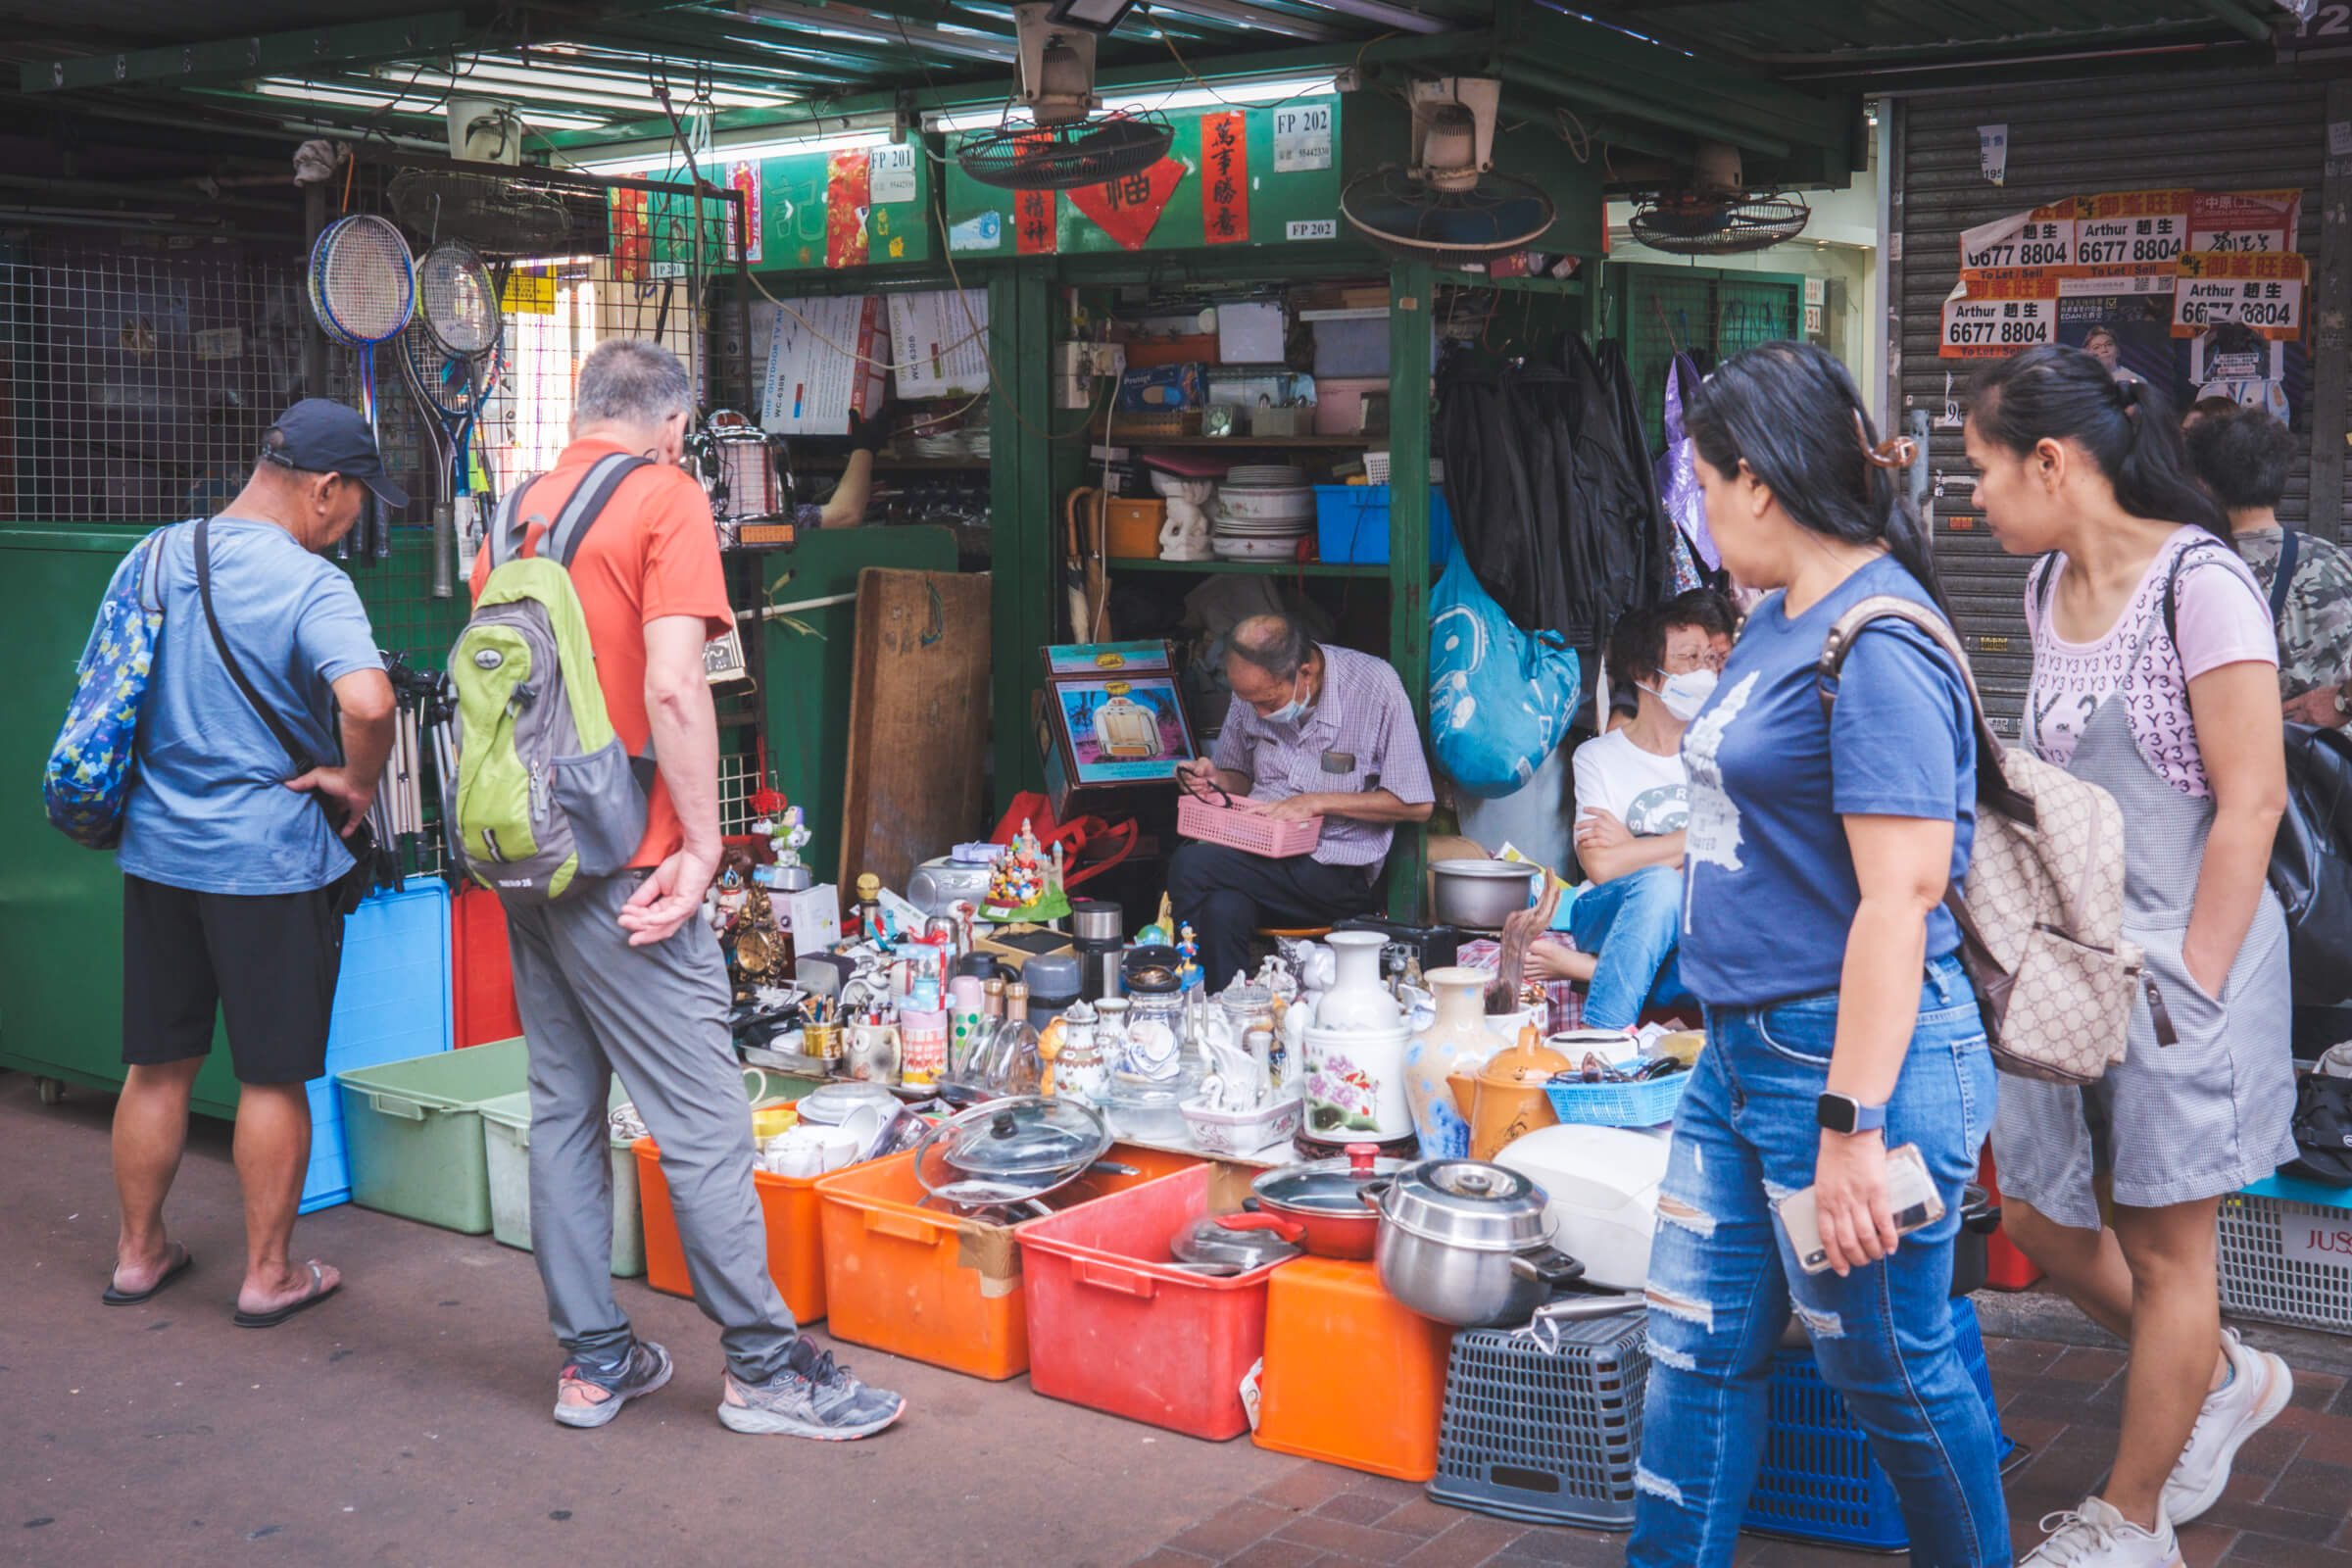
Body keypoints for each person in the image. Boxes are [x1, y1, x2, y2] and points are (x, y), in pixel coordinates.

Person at [470, 340, 903, 1439]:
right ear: (673, 423)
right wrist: (704, 846)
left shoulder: (515, 504)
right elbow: (671, 683)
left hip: (530, 856)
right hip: (631, 867)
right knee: (708, 1124)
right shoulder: (664, 498)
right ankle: (763, 1365)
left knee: (564, 1111)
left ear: (582, 410)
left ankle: (593, 1362)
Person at [1627, 343, 2007, 1568]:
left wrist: (1851, 1125)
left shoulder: (1879, 640)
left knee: (1892, 1375)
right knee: (1692, 1347)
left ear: (1760, 483)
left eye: (1701, 483)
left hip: (1842, 1067)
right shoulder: (1778, 618)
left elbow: (1899, 898)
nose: (1696, 511)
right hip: (1741, 1056)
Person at [1970, 346, 2294, 1567]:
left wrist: (2196, 985)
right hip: (2075, 967)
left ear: (2053, 462)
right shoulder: (2046, 581)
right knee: (2042, 1219)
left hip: (2183, 970)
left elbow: (2251, 801)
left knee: (2167, 1251)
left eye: (1986, 469)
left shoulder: (2201, 584)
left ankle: (2131, 1519)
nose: (1976, 497)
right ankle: (2222, 1372)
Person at [106, 400, 400, 1326]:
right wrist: (356, 782)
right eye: (358, 501)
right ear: (324, 487)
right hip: (266, 863)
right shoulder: (311, 585)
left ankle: (139, 1255)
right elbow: (368, 697)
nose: (356, 521)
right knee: (272, 1076)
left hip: (159, 853)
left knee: (159, 1067)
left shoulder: (153, 555)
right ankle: (268, 1275)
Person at [1169, 613, 1434, 989]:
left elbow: (1416, 805)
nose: (1259, 712)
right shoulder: (1251, 689)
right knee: (1222, 908)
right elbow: (1239, 779)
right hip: (1258, 856)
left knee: (1191, 864)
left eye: (1268, 700)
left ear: (1305, 674)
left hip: (1332, 870)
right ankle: (1223, 1013)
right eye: (1249, 701)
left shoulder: (1375, 687)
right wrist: (1216, 780)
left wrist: (1316, 803)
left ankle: (1186, 993)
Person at [1523, 594, 1731, 1028]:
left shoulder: (1724, 751)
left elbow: (1738, 858)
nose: (1705, 672)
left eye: (1708, 659)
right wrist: (1698, 839)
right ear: (1644, 674)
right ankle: (1602, 1038)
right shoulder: (1598, 757)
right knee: (1659, 887)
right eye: (1689, 658)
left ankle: (1589, 971)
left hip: (1700, 918)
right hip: (1609, 911)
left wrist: (1637, 848)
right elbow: (1601, 867)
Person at [2185, 407, 2352, 729]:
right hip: (2332, 767)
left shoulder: (2197, 569)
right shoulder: (2336, 561)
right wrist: (2340, 701)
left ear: (2203, 483)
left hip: (2243, 761)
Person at [2082, 324, 2146, 388]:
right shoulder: (2083, 381)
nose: (2104, 350)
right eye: (2096, 347)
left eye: (2109, 344)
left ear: (2117, 350)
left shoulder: (2135, 380)